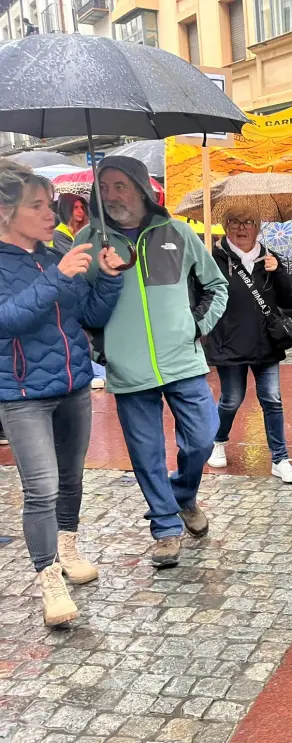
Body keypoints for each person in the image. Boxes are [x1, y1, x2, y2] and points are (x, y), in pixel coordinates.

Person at [74, 156, 229, 568]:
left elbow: (216, 285)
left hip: (182, 361)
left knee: (202, 437)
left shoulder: (177, 232)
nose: (110, 195)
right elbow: (74, 306)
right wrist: (99, 350)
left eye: (120, 185)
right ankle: (164, 526)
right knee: (145, 454)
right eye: (103, 187)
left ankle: (182, 496)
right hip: (127, 369)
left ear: (142, 188)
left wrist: (196, 328)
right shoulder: (89, 241)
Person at [0, 160, 125, 626]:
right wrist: (56, 278)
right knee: (41, 489)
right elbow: (6, 320)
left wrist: (110, 278)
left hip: (73, 383)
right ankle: (48, 578)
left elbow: (87, 315)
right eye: (37, 206)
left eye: (49, 204)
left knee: (71, 480)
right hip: (23, 393)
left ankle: (69, 548)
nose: (51, 213)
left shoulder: (56, 255)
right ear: (5, 212)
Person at [204, 207, 292, 483]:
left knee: (272, 399)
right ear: (224, 225)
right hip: (229, 342)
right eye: (234, 221)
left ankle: (280, 458)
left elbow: (289, 300)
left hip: (265, 343)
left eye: (248, 221)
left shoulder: (269, 257)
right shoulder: (213, 258)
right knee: (231, 399)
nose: (241, 227)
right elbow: (201, 297)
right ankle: (219, 440)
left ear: (258, 226)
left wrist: (279, 272)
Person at [52, 193, 108, 390]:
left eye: (82, 207)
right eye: (75, 208)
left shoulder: (88, 230)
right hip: (73, 287)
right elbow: (74, 258)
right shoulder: (60, 233)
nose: (80, 211)